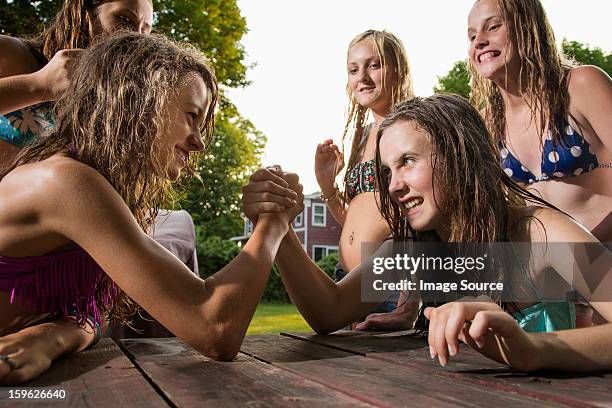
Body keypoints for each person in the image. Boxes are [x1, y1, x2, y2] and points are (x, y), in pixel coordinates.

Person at [0, 32, 302, 385]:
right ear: (137, 102)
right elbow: (213, 326)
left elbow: (92, 310)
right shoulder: (65, 182)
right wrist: (273, 221)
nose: (200, 142)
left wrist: (58, 335)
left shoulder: (93, 185)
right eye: (192, 116)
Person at [243, 94, 612, 372]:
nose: (392, 187)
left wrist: (533, 349)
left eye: (407, 162)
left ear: (460, 157)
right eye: (388, 172)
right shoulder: (415, 248)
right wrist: (278, 225)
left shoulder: (542, 233)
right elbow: (328, 311)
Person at [468, 0, 612, 326]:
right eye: (472, 35)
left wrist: (574, 251)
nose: (478, 41)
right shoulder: (491, 122)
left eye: (493, 27)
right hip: (552, 278)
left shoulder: (580, 85)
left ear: (526, 26)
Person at [314, 29, 417, 327]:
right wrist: (326, 185)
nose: (363, 77)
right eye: (353, 69)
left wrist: (408, 305)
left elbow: (424, 221)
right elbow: (354, 221)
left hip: (389, 286)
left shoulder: (414, 129)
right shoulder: (361, 138)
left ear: (399, 68)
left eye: (374, 65)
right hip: (346, 278)